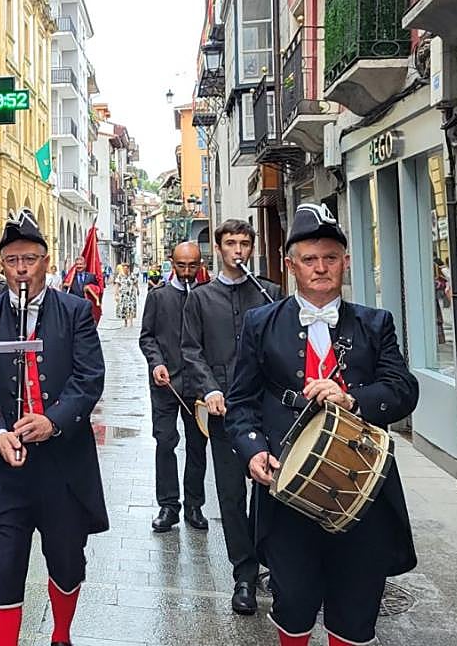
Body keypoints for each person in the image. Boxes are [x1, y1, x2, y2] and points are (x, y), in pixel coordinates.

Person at [227, 203, 419, 646]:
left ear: (345, 262)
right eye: (309, 259)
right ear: (290, 265)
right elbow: (241, 401)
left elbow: (404, 389)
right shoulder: (260, 323)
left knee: (355, 609)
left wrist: (353, 399)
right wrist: (253, 449)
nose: (320, 268)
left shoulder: (375, 323)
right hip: (286, 486)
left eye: (330, 258)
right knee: (293, 602)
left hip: (361, 489)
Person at [0, 209, 108, 646]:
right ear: (0, 265)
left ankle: (60, 634)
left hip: (63, 464)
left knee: (66, 561)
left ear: (46, 261)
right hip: (4, 465)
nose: (21, 269)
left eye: (29, 259)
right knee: (2, 568)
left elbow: (89, 377)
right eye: (12, 260)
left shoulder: (75, 311)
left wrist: (53, 421)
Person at [181, 219, 280, 615]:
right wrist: (209, 389)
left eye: (244, 243)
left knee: (270, 488)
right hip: (223, 411)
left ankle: (275, 561)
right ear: (219, 249)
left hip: (265, 410)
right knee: (231, 495)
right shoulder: (200, 298)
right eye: (230, 243)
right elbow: (191, 350)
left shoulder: (269, 293)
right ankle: (244, 574)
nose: (238, 250)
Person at [138, 242, 208, 534]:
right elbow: (147, 337)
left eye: (192, 266)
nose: (187, 271)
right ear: (172, 263)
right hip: (165, 384)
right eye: (181, 265)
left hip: (198, 385)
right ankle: (168, 506)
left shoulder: (206, 296)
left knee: (197, 446)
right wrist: (156, 363)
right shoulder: (158, 296)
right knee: (165, 442)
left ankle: (194, 505)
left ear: (200, 264)